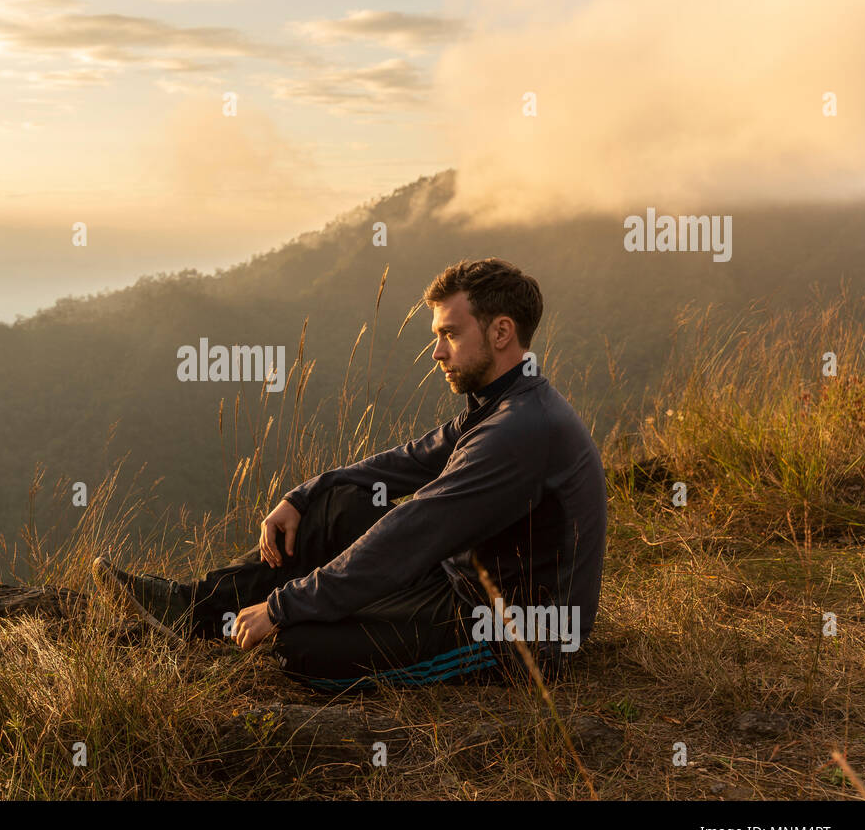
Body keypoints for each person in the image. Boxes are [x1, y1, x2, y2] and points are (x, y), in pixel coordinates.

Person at [93, 258, 607, 691]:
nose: (437, 353)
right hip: (462, 582)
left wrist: (284, 607)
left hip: (510, 634)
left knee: (300, 649)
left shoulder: (519, 430)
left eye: (450, 334)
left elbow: (411, 533)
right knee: (341, 500)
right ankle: (191, 608)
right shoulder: (498, 405)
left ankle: (250, 626)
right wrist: (304, 495)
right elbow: (401, 463)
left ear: (501, 332)